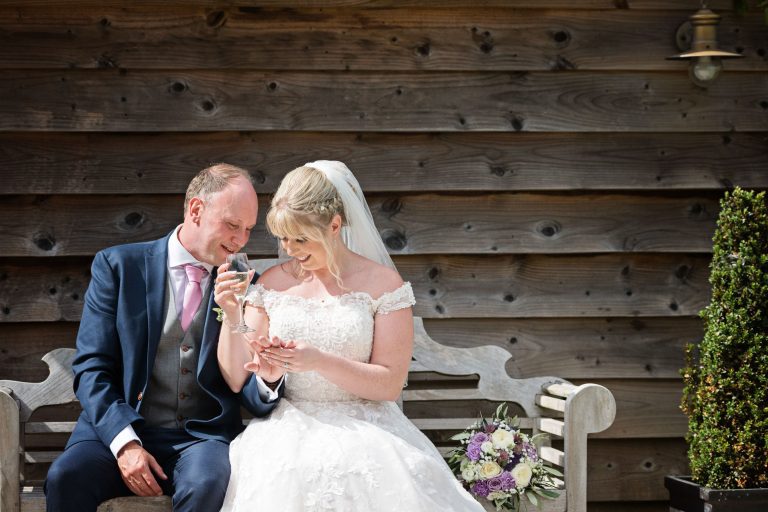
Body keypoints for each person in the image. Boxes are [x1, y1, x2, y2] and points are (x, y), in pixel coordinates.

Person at [214, 161, 484, 511]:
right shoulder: (271, 285)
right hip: (289, 431)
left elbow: (389, 384)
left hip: (369, 428)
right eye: (283, 237)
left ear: (335, 225)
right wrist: (234, 316)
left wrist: (319, 361)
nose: (290, 249)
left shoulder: (384, 285)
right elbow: (239, 377)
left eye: (301, 238)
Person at [45, 164, 284, 512]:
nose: (240, 240)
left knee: (208, 484)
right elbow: (91, 368)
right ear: (196, 210)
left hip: (201, 438)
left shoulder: (248, 285)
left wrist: (267, 379)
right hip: (118, 430)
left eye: (248, 229)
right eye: (232, 225)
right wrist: (125, 443)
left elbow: (248, 387)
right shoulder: (118, 267)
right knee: (66, 476)